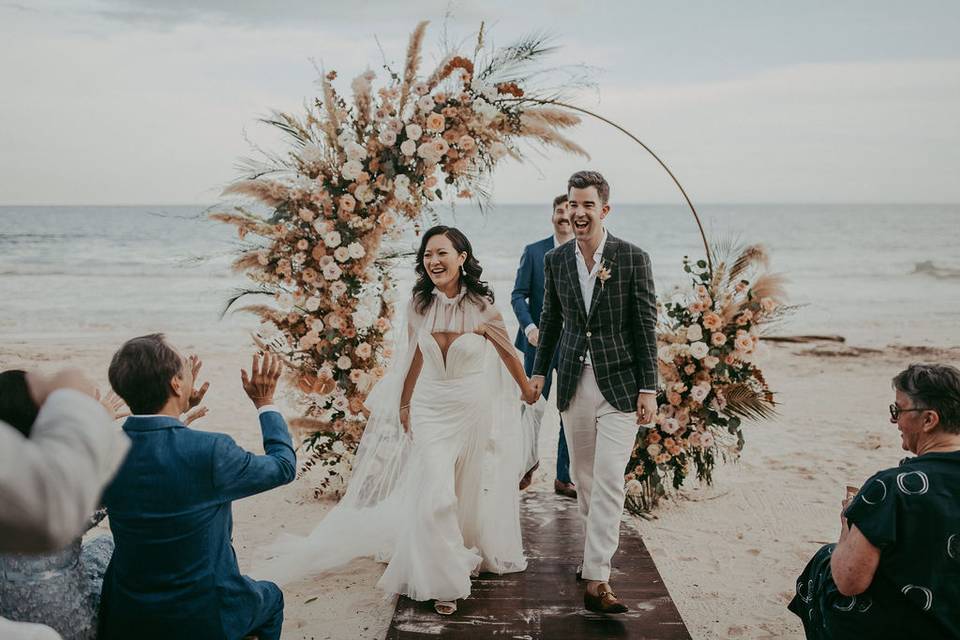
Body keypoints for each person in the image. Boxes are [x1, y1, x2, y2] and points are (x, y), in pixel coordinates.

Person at [256, 225, 537, 616]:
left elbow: (508, 355)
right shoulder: (418, 306)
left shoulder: (484, 309)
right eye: (427, 255)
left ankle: (464, 549)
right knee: (437, 493)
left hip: (471, 409)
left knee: (464, 490)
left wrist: (526, 390)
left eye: (442, 253)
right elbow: (412, 357)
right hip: (429, 408)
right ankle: (446, 580)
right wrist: (404, 405)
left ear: (463, 258)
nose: (433, 261)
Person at [97, 335, 296, 640]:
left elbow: (152, 455)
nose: (191, 373)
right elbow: (283, 467)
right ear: (176, 384)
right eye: (185, 370)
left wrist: (175, 413)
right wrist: (265, 403)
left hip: (128, 615)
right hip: (204, 615)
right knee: (272, 598)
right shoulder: (212, 451)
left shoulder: (103, 452)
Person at [529, 170, 658, 614]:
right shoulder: (557, 261)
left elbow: (645, 326)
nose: (578, 213)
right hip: (573, 385)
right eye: (572, 204)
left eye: (587, 205)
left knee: (607, 478)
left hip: (621, 385)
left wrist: (649, 388)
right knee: (584, 479)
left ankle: (598, 578)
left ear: (604, 209)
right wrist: (541, 373)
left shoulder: (632, 258)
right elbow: (550, 321)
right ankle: (593, 556)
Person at [789, 363, 960, 639]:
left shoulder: (891, 487)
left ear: (929, 420)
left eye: (898, 411)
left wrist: (849, 522)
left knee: (825, 562)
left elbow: (849, 581)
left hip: (906, 629)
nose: (894, 421)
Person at [0, 368, 130, 640]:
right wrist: (94, 422)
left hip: (6, 612)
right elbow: (83, 489)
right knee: (107, 546)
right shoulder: (55, 498)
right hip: (70, 623)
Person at [511, 193, 576, 497]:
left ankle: (564, 477)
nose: (564, 215)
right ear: (552, 216)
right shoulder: (534, 252)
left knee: (571, 411)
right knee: (532, 407)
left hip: (575, 346)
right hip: (538, 344)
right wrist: (530, 327)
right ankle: (527, 463)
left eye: (569, 210)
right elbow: (518, 295)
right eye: (559, 211)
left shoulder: (585, 253)